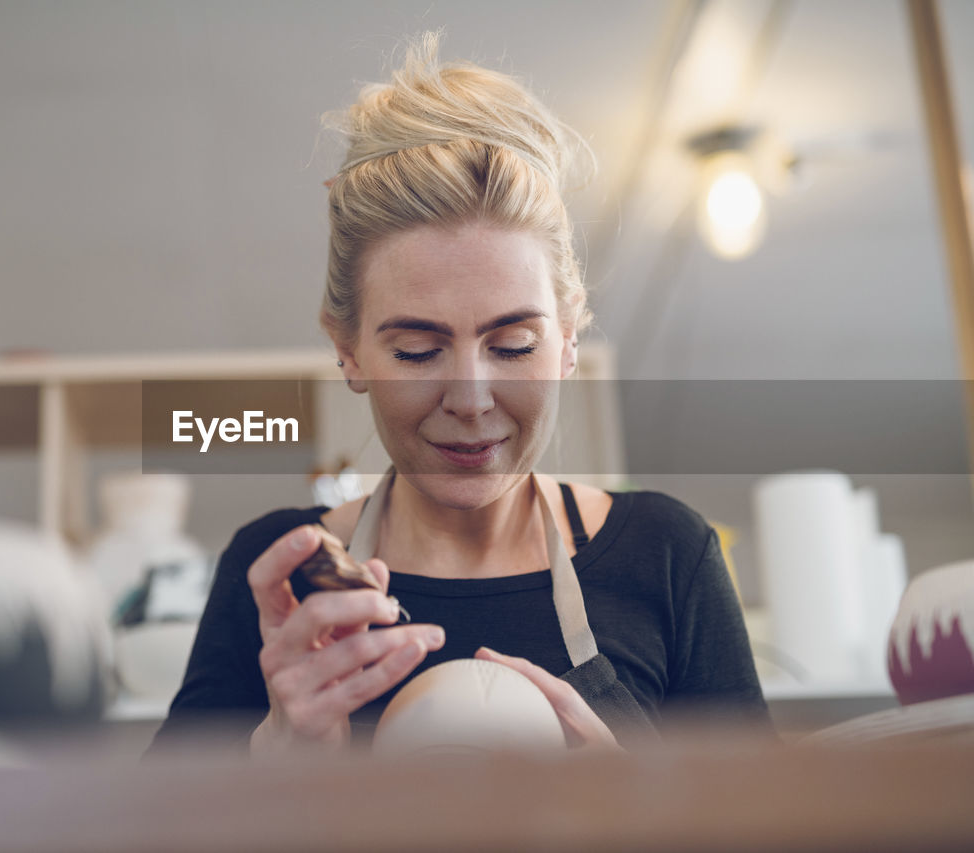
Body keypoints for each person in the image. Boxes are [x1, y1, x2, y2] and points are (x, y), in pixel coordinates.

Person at [148, 33, 768, 756]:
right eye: (416, 351)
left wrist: (641, 812)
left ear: (569, 337)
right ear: (347, 349)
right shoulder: (287, 579)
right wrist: (274, 765)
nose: (471, 399)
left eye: (513, 345)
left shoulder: (667, 554)